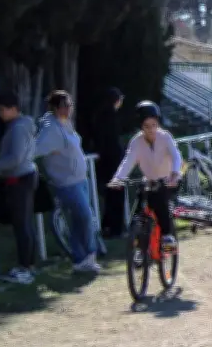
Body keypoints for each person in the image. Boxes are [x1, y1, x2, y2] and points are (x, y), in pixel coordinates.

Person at [35, 90, 100, 273]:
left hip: (80, 179)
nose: (69, 108)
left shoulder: (66, 124)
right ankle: (85, 255)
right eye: (65, 105)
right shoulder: (51, 130)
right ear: (56, 108)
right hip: (66, 183)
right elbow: (36, 149)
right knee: (85, 216)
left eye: (70, 104)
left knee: (81, 220)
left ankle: (83, 258)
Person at [108, 101, 181, 252]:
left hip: (168, 180)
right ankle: (139, 243)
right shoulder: (136, 142)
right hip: (149, 180)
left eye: (154, 125)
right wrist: (118, 179)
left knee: (160, 202)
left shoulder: (165, 137)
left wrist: (174, 174)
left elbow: (176, 156)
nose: (151, 130)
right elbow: (128, 162)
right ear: (141, 127)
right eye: (147, 126)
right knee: (139, 209)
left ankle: (167, 236)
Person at [0, 91, 37, 284]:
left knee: (22, 225)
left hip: (20, 179)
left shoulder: (18, 128)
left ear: (14, 109)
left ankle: (25, 268)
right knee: (25, 223)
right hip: (25, 176)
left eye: (2, 110)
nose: (0, 114)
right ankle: (28, 265)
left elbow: (15, 158)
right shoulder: (22, 125)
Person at [93, 87, 125, 238]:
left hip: (104, 162)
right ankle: (116, 229)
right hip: (114, 161)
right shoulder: (112, 117)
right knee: (117, 195)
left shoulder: (99, 116)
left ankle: (107, 225)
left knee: (108, 195)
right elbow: (113, 141)